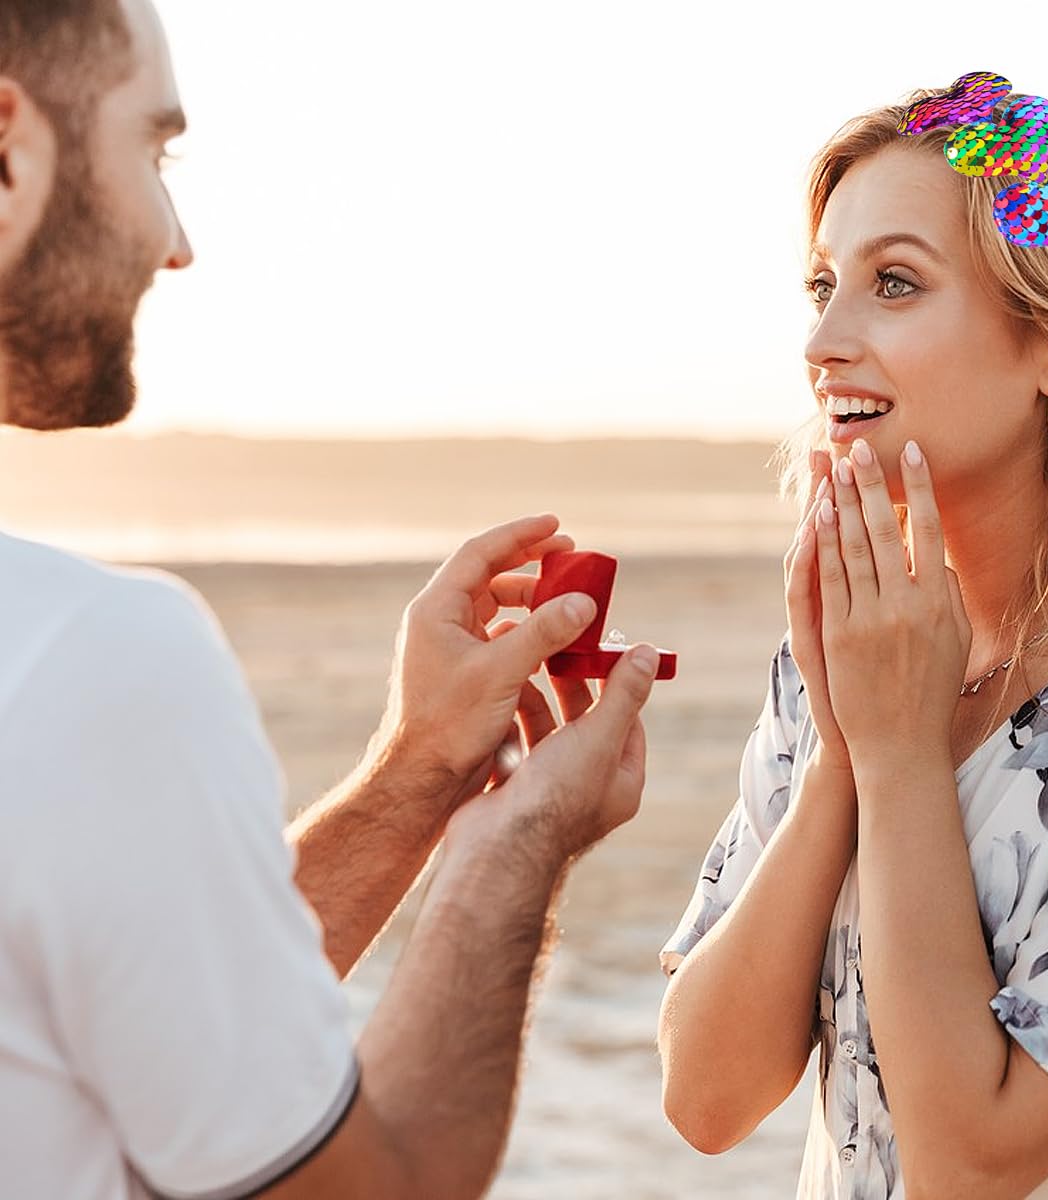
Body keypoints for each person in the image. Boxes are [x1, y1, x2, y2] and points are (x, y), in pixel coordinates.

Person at [0, 1, 661, 1197]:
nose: (176, 238)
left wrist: (417, 777)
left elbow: (179, 1014)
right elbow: (374, 1186)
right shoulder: (91, 655)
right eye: (156, 151)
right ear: (8, 149)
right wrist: (515, 843)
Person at [657, 79, 1048, 1199]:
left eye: (893, 283)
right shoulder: (856, 651)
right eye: (822, 285)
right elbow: (707, 1098)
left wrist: (901, 754)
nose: (823, 340)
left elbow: (971, 1163)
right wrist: (843, 757)